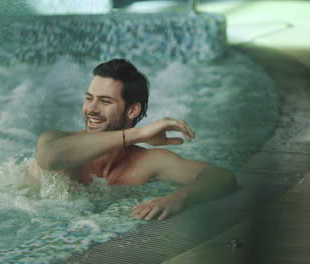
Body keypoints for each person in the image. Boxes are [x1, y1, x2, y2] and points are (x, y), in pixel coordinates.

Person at [27, 59, 237, 221]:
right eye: (89, 98)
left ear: (133, 110)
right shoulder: (57, 140)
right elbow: (48, 158)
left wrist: (177, 198)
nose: (91, 109)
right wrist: (140, 133)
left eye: (105, 101)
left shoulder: (145, 162)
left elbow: (222, 177)